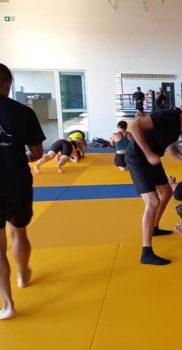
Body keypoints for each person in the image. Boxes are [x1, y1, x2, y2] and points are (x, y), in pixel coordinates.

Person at [125, 107, 182, 265]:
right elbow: (133, 125)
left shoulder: (177, 128)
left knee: (167, 192)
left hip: (152, 159)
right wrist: (148, 153)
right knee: (153, 201)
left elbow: (170, 148)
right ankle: (146, 252)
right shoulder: (165, 116)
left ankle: (154, 227)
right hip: (138, 158)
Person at [0, 63, 45, 320]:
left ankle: (7, 305)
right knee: (19, 233)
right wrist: (14, 155)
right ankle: (23, 273)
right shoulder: (22, 112)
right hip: (16, 182)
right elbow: (37, 153)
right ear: (7, 84)